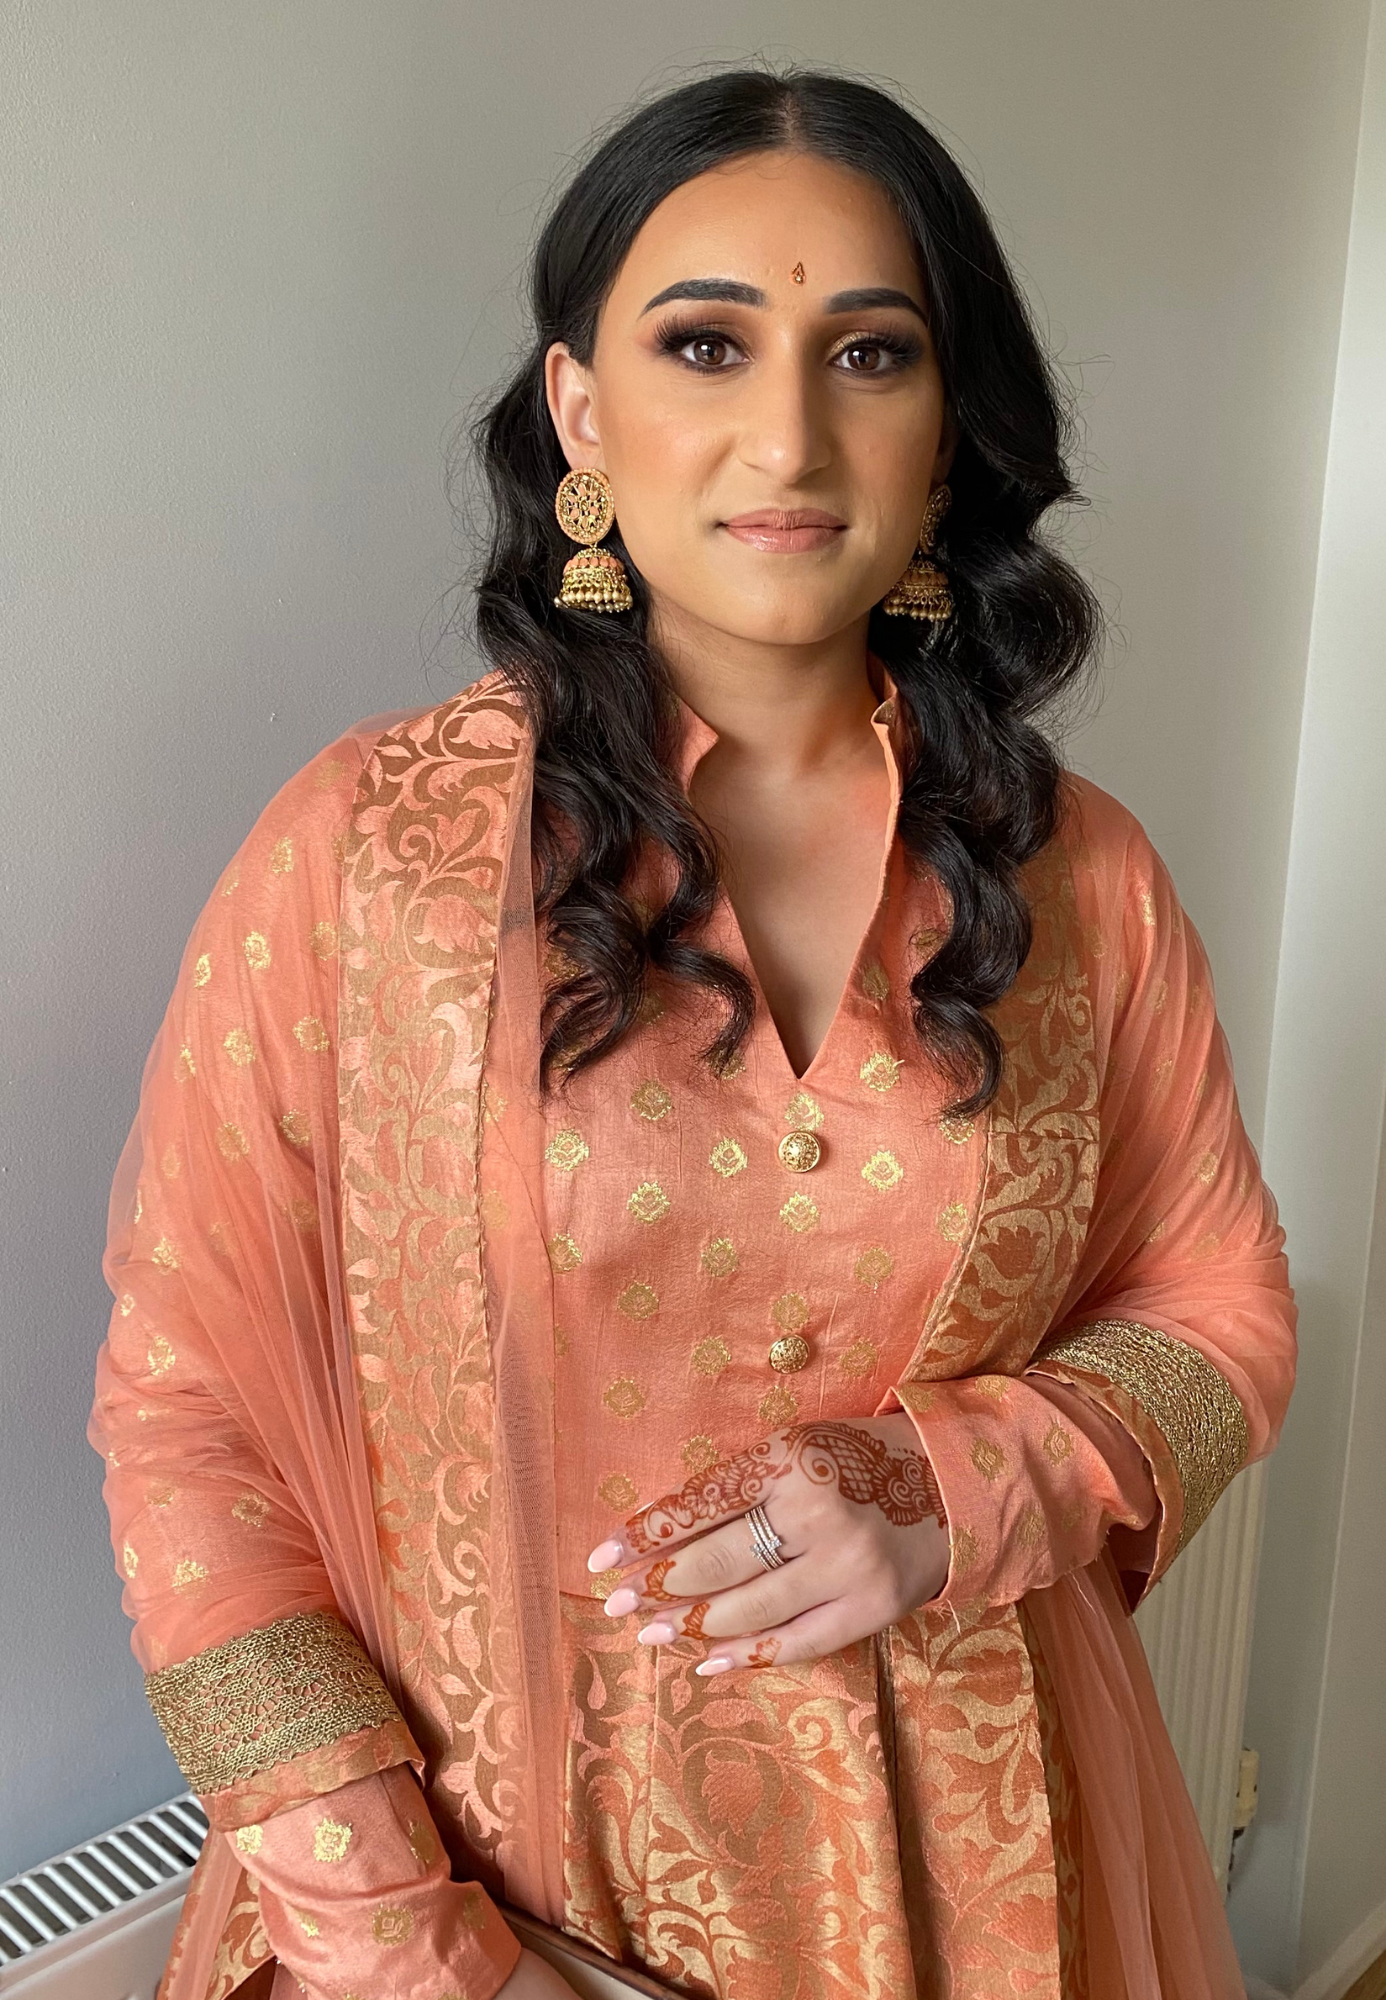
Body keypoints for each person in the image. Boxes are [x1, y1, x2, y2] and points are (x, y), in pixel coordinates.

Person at [90, 66, 1296, 2000]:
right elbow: (188, 1423)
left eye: (870, 352)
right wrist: (413, 1950)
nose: (788, 433)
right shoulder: (368, 863)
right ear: (582, 409)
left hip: (984, 1879)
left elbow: (1216, 1301)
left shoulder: (1077, 880)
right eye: (707, 344)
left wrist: (966, 1481)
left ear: (943, 427)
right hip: (495, 1893)